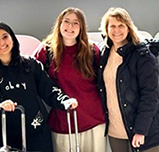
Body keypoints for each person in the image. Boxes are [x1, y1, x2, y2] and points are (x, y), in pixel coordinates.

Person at [0, 21, 78, 152]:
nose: (2, 43)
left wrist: (64, 100)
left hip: (36, 133)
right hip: (4, 137)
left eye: (5, 37)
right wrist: (0, 106)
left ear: (12, 38)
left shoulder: (30, 65)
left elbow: (48, 89)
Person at [34, 7, 106, 152]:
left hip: (94, 120)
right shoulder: (45, 51)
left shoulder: (92, 50)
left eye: (75, 23)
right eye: (66, 21)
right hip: (62, 122)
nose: (70, 26)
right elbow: (34, 80)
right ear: (59, 24)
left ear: (82, 27)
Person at [98, 7, 159, 152]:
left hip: (143, 132)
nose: (116, 30)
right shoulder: (104, 53)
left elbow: (150, 96)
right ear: (106, 29)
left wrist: (140, 130)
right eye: (112, 26)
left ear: (129, 27)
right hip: (115, 132)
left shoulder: (143, 56)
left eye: (121, 25)